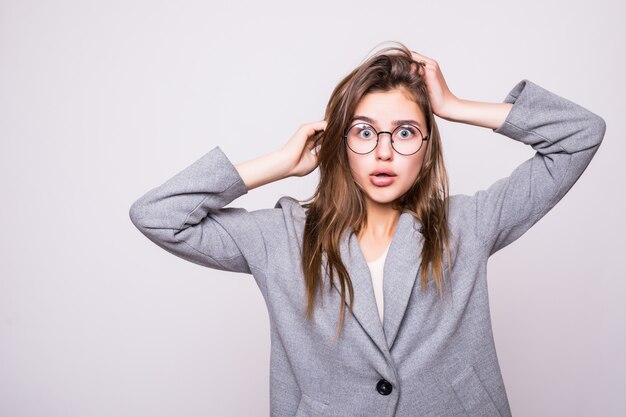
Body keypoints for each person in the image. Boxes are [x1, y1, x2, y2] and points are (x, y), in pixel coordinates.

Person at [129, 42, 605, 417]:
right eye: (363, 131)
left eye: (404, 133)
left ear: (426, 147)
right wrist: (278, 164)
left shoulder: (467, 224)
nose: (383, 152)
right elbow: (157, 215)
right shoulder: (282, 236)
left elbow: (580, 134)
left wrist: (454, 106)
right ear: (340, 143)